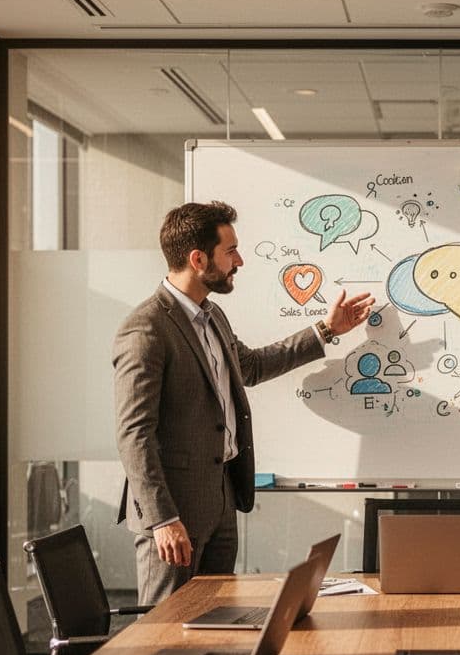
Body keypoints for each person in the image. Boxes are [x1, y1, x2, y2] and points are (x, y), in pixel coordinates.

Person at [114, 201, 374, 604]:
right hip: (175, 513)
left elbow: (249, 366)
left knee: (216, 621)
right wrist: (163, 518)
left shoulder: (211, 315)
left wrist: (326, 329)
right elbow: (134, 434)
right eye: (230, 251)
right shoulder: (147, 329)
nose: (240, 261)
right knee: (164, 634)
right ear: (198, 259)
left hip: (220, 501)